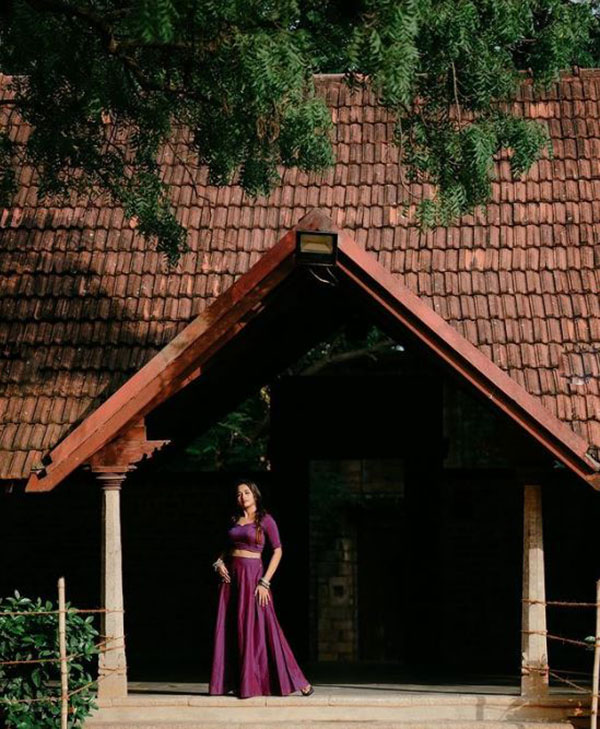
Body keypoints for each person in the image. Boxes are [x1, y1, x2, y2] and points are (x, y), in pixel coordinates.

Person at [209, 479, 314, 698]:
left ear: (255, 495)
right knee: (233, 628)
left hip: (253, 578)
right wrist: (218, 563)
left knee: (267, 627)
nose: (242, 497)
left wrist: (265, 581)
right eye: (238, 494)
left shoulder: (265, 520)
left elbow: (278, 550)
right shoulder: (234, 520)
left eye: (246, 492)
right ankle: (240, 682)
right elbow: (227, 548)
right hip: (231, 580)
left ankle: (299, 681)